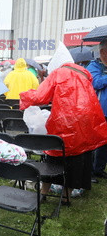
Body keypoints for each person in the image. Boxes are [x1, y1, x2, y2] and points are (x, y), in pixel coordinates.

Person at [20, 62, 107, 202]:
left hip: (63, 121)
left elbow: (40, 97)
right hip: (84, 122)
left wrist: (24, 96)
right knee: (76, 157)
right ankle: (66, 197)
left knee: (55, 153)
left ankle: (43, 193)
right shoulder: (85, 76)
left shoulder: (58, 74)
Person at [87, 39, 107, 178]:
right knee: (97, 142)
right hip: (99, 110)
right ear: (102, 52)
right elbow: (95, 82)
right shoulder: (94, 65)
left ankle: (99, 169)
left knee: (105, 144)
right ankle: (92, 171)